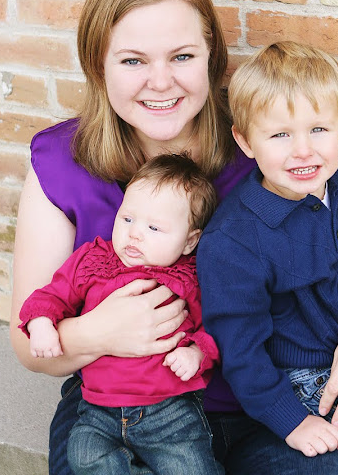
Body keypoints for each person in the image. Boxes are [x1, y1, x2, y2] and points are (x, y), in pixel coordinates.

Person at [10, 0, 338, 475]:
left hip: (264, 406)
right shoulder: (62, 161)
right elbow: (27, 343)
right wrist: (99, 333)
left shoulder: (266, 140)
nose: (160, 82)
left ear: (211, 55)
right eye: (132, 61)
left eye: (182, 56)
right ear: (97, 64)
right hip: (119, 411)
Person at [197, 41, 338, 467]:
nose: (302, 150)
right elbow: (240, 349)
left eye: (318, 129)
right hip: (315, 385)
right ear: (245, 140)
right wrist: (291, 421)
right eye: (280, 134)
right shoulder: (234, 240)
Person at [18, 153, 223, 475]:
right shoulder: (93, 261)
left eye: (154, 227)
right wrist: (42, 323)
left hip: (169, 409)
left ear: (189, 241)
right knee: (83, 455)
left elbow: (215, 327)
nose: (135, 233)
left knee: (191, 467)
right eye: (127, 219)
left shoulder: (189, 278)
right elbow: (50, 296)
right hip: (98, 407)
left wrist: (197, 353)